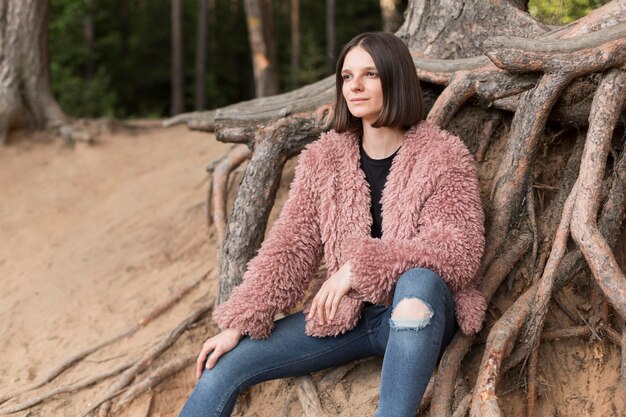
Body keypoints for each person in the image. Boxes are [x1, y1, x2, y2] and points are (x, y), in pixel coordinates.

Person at [178, 31, 486, 417]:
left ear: (396, 79)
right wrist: (240, 321)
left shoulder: (442, 154)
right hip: (345, 316)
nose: (354, 86)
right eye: (346, 76)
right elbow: (291, 245)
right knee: (224, 365)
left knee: (418, 283)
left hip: (418, 317)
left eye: (370, 75)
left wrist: (359, 268)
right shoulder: (323, 159)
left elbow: (458, 250)